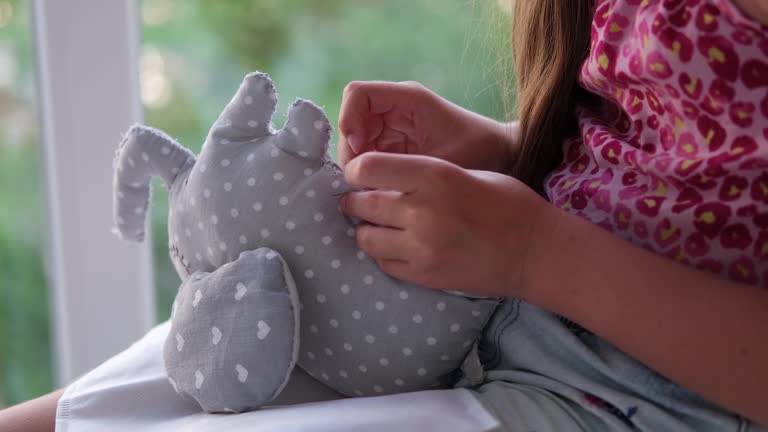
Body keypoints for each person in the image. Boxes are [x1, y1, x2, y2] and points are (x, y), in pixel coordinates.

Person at [2, 0, 767, 430]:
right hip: (493, 316)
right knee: (115, 403)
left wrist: (538, 252)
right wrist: (501, 151)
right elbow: (663, 162)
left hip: (635, 406)